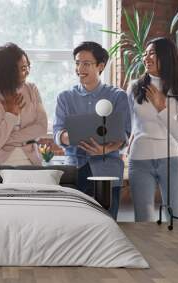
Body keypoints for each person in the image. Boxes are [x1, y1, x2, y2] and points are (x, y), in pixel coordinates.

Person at [53, 41, 131, 219]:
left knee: (107, 222)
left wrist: (105, 149)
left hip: (107, 168)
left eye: (86, 63)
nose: (80, 68)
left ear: (100, 66)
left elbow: (124, 134)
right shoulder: (65, 97)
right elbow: (58, 134)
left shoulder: (117, 96)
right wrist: (71, 136)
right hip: (75, 168)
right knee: (75, 223)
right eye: (77, 63)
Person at [127, 37, 178, 222]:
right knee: (143, 219)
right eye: (145, 54)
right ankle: (145, 253)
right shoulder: (134, 87)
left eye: (152, 53)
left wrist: (161, 107)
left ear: (166, 57)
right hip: (139, 160)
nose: (146, 58)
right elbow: (131, 124)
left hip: (172, 160)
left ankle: (176, 253)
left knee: (175, 219)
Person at [0, 43, 48, 165]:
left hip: (32, 164)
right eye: (23, 68)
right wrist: (11, 114)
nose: (27, 72)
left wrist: (4, 138)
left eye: (27, 67)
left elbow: (42, 128)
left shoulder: (32, 90)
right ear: (7, 72)